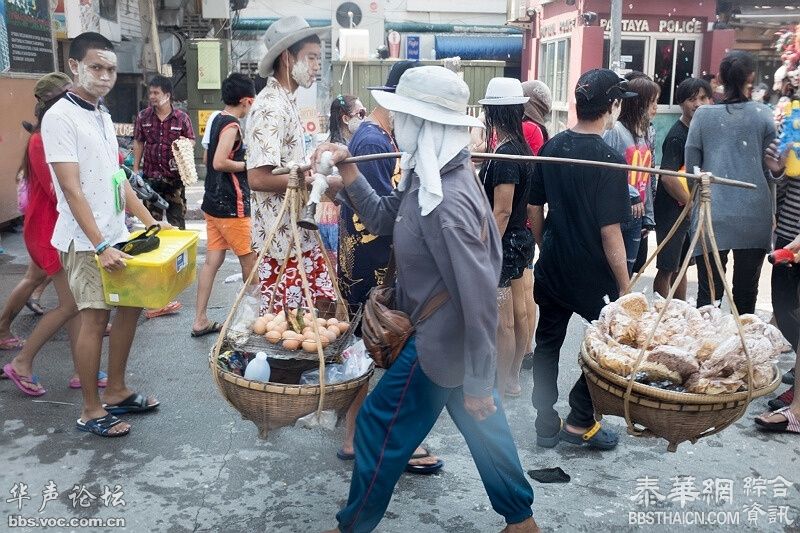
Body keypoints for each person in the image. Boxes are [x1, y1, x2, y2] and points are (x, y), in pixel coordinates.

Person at [317, 65, 539, 533]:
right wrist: (349, 178)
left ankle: (352, 525)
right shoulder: (429, 177)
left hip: (442, 341)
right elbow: (383, 218)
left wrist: (479, 379)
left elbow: (480, 299)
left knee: (378, 427)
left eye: (404, 117)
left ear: (426, 125)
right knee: (487, 430)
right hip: (449, 340)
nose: (396, 125)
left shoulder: (450, 199)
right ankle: (521, 521)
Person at [41, 32, 165, 437]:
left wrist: (148, 220)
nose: (106, 76)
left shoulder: (102, 114)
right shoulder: (59, 116)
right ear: (74, 66)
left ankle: (116, 390)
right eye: (97, 67)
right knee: (94, 320)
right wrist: (99, 244)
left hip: (117, 232)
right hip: (85, 240)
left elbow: (117, 177)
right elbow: (71, 188)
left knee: (130, 308)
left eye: (111, 69)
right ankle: (91, 410)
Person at [337, 60, 443, 476]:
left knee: (370, 346)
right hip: (371, 263)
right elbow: (385, 216)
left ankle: (365, 433)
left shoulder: (379, 137)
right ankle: (356, 436)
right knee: (370, 346)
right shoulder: (372, 142)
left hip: (373, 260)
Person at [529, 69, 634, 451]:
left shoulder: (552, 146)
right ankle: (579, 417)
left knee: (547, 344)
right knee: (610, 348)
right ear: (612, 106)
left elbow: (533, 206)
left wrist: (547, 243)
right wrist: (625, 287)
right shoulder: (608, 159)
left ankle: (545, 421)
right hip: (593, 276)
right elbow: (611, 233)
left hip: (554, 267)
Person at [3, 72, 106, 395]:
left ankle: (82, 369)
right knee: (71, 304)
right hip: (50, 230)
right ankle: (22, 361)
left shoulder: (55, 131)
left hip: (59, 227)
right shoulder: (42, 139)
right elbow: (60, 190)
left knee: (73, 302)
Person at [244, 16, 335, 314]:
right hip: (281, 242)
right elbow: (257, 178)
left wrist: (305, 168)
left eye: (318, 59)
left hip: (298, 235)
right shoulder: (271, 106)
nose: (316, 66)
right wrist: (305, 180)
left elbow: (282, 167)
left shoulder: (287, 101)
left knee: (313, 318)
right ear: (286, 58)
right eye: (310, 58)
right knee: (287, 328)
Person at [686, 51, 784, 314]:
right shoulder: (764, 115)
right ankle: (741, 352)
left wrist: (696, 202)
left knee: (709, 298)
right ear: (751, 77)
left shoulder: (703, 116)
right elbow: (772, 170)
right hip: (754, 214)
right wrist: (772, 210)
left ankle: (707, 352)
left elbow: (692, 174)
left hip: (711, 213)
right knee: (745, 296)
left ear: (719, 78)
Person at [478, 77, 535, 399]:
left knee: (505, 322)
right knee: (522, 311)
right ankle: (511, 376)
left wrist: (487, 250)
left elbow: (501, 211)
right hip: (521, 239)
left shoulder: (505, 156)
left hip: (506, 243)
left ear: (493, 113)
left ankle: (504, 381)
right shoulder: (519, 147)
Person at [191, 73, 257, 337]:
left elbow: (209, 158)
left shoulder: (217, 119)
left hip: (213, 204)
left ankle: (200, 319)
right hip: (232, 206)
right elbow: (218, 161)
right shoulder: (232, 126)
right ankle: (253, 321)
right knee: (249, 262)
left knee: (211, 262)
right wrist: (248, 166)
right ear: (245, 100)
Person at [652, 77, 712, 300]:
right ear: (681, 103)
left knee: (683, 265)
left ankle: (679, 311)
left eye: (703, 98)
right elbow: (667, 177)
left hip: (688, 210)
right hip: (673, 212)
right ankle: (662, 313)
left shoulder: (698, 132)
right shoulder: (677, 135)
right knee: (667, 267)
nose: (698, 104)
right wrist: (691, 204)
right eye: (691, 99)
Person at [603, 76, 660, 276]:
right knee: (617, 275)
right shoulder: (615, 132)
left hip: (638, 216)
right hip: (619, 215)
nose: (656, 108)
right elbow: (606, 172)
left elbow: (647, 177)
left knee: (632, 271)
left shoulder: (644, 134)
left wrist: (648, 217)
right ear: (638, 102)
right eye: (652, 102)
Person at [132, 75, 195, 229]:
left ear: (167, 96)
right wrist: (135, 170)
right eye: (150, 93)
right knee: (153, 226)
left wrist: (183, 146)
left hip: (174, 180)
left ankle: (179, 253)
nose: (152, 96)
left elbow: (192, 140)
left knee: (177, 224)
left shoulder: (182, 118)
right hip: (151, 179)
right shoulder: (143, 117)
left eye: (156, 93)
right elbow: (139, 142)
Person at [519, 80, 551, 372]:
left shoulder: (528, 129)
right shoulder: (539, 130)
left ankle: (525, 348)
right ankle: (526, 348)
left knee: (522, 288)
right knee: (526, 286)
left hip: (521, 217)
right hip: (529, 218)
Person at [319, 95, 366, 266]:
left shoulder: (331, 144)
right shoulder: (338, 149)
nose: (365, 118)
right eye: (361, 113)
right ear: (346, 119)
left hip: (327, 213)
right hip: (336, 213)